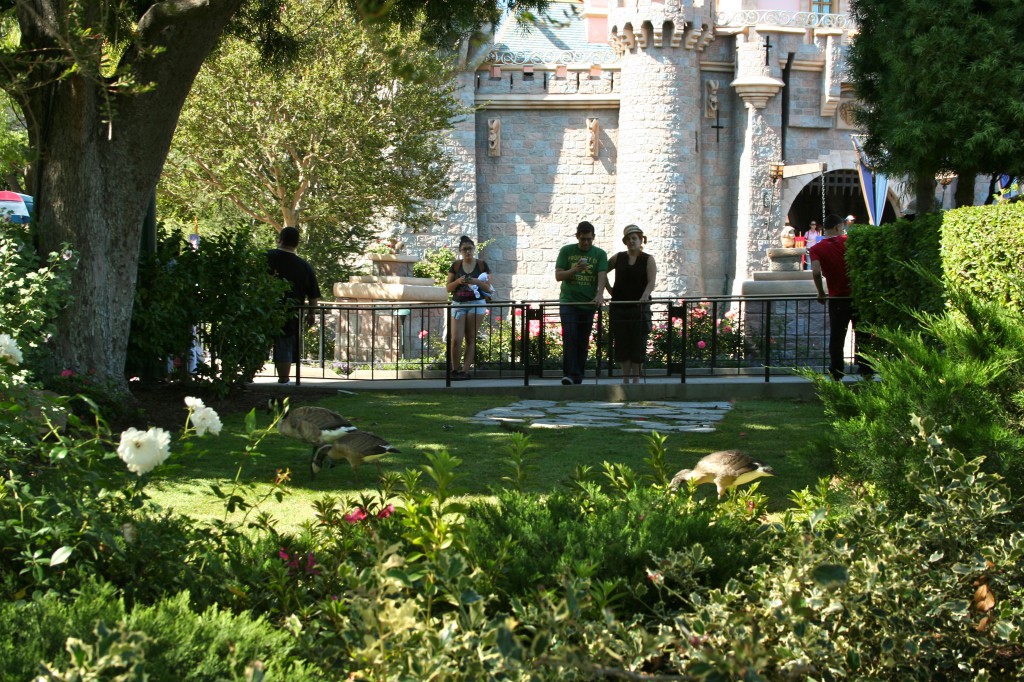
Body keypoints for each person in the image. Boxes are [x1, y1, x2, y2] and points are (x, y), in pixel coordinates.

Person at [809, 213, 870, 380]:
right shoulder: (849, 242)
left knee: (837, 337)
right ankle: (866, 369)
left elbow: (815, 271)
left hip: (836, 299)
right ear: (837, 227)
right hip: (856, 297)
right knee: (862, 334)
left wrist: (821, 292)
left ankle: (836, 371)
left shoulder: (816, 249)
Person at [554, 220, 608, 385]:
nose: (586, 242)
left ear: (593, 238)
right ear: (577, 236)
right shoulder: (567, 251)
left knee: (582, 340)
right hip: (568, 302)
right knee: (570, 337)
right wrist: (574, 270)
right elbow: (558, 276)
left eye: (589, 239)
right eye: (583, 239)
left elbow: (602, 274)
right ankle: (569, 374)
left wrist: (600, 294)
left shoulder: (599, 254)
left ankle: (578, 376)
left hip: (588, 303)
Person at [267, 226, 320, 385]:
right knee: (285, 345)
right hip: (291, 312)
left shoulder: (266, 257)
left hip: (265, 309)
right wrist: (311, 314)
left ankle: (248, 376)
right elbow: (313, 295)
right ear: (297, 243)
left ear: (280, 239)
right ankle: (284, 380)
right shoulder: (304, 266)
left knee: (260, 342)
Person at [606, 225, 657, 384]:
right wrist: (609, 290)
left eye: (634, 238)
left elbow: (651, 282)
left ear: (641, 239)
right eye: (628, 238)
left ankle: (636, 379)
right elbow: (602, 271)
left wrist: (644, 296)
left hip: (639, 308)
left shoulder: (648, 259)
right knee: (622, 343)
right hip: (620, 307)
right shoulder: (618, 257)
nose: (631, 241)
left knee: (638, 343)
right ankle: (625, 379)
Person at [446, 235, 492, 380]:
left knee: (470, 337)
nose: (467, 251)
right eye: (464, 249)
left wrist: (475, 281)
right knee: (456, 338)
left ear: (474, 249)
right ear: (460, 251)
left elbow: (488, 288)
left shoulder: (481, 265)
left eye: (470, 248)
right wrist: (459, 281)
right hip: (459, 304)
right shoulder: (456, 266)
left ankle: (465, 371)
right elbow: (448, 288)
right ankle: (454, 369)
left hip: (476, 304)